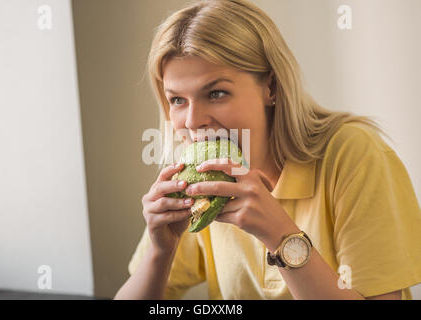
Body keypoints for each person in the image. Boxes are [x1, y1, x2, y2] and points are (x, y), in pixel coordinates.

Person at [114, 0, 421, 300]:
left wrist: (281, 237)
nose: (193, 122)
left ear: (270, 88)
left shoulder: (355, 156)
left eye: (216, 93)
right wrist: (160, 251)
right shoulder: (201, 187)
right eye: (177, 100)